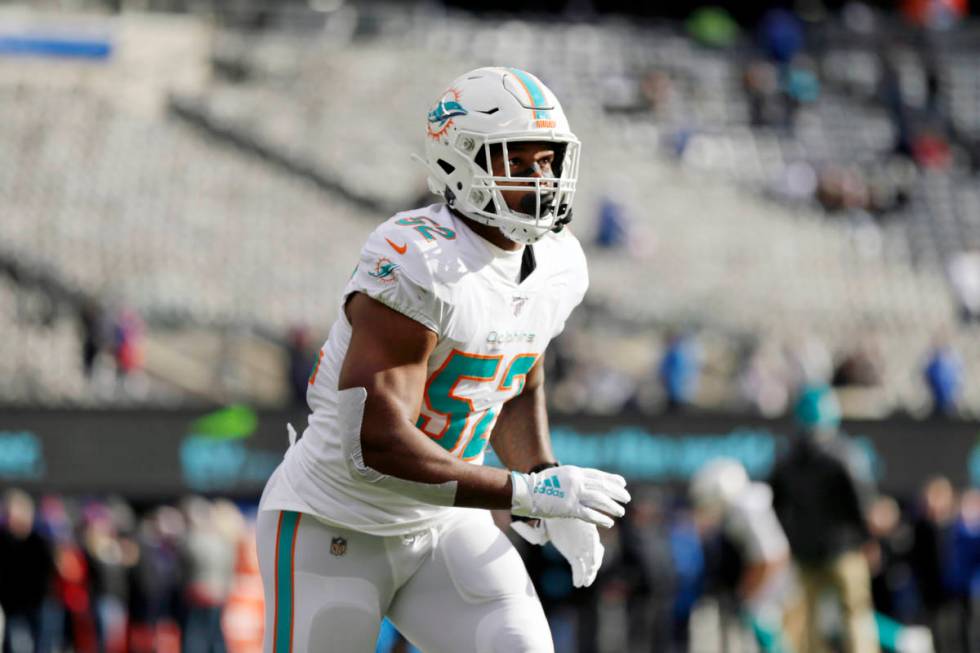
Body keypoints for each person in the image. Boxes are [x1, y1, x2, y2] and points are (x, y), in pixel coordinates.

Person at [256, 67, 630, 653]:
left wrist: (543, 480)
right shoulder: (420, 259)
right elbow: (373, 443)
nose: (543, 178)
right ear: (462, 163)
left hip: (444, 523)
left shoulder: (559, 262)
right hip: (335, 519)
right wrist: (525, 494)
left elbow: (515, 375)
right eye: (520, 160)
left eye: (549, 160)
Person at [769, 385, 880, 653]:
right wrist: (868, 540)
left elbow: (775, 507)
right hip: (843, 549)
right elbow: (861, 504)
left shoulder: (787, 460)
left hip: (805, 552)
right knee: (855, 614)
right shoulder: (844, 455)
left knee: (802, 622)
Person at [689, 458, 792, 653]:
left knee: (769, 639)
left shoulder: (747, 508)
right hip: (766, 587)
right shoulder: (741, 508)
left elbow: (768, 558)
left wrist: (748, 594)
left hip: (770, 590)